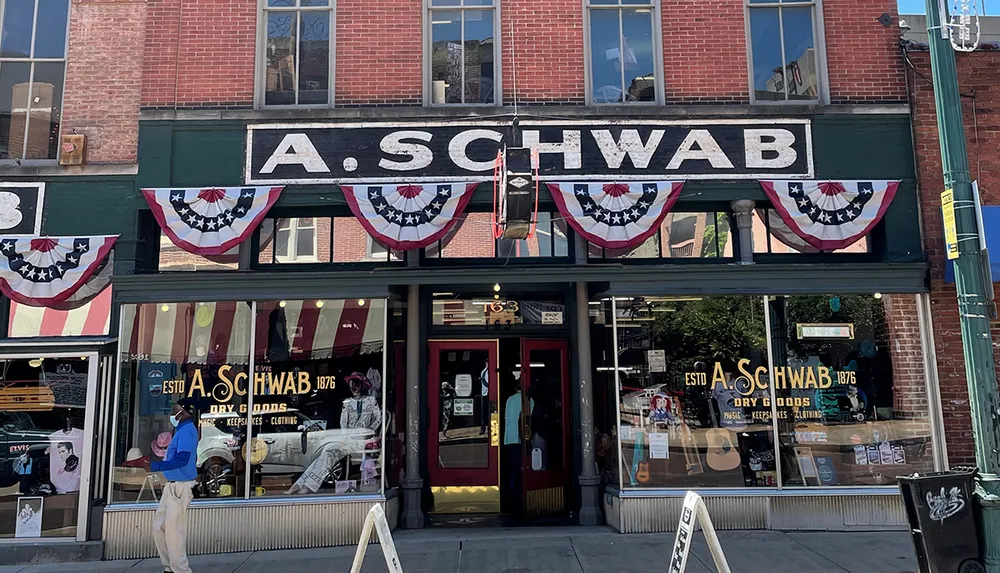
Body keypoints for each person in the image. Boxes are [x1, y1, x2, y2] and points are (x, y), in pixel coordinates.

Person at [286, 372, 381, 494]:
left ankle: (304, 485)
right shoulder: (347, 403)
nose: (353, 389)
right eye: (351, 386)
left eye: (355, 385)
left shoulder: (371, 400)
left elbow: (379, 418)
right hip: (349, 439)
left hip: (364, 440)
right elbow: (343, 423)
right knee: (325, 454)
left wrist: (369, 430)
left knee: (328, 454)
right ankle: (302, 485)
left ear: (361, 386)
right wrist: (346, 436)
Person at [145, 402, 198, 573]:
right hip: (172, 486)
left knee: (174, 531)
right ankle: (169, 567)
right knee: (159, 527)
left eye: (176, 410)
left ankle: (181, 570)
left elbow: (182, 459)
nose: (172, 413)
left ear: (185, 411)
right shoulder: (181, 431)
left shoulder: (188, 431)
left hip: (180, 487)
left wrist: (155, 467)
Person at [503, 377, 533, 515]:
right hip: (522, 440)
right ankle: (521, 501)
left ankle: (511, 501)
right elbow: (529, 420)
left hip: (509, 439)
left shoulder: (509, 399)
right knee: (522, 472)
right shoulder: (528, 401)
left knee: (513, 471)